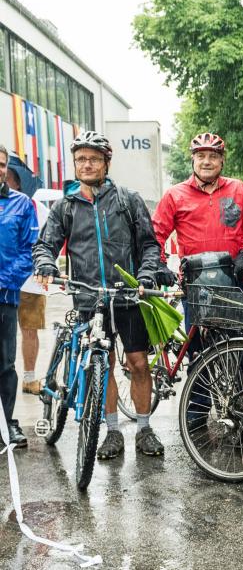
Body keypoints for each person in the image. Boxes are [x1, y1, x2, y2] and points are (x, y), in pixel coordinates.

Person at [33, 131, 164, 458]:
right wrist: (46, 263)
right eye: (81, 159)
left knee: (138, 363)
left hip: (128, 296)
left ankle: (144, 428)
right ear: (75, 164)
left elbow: (150, 245)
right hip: (89, 299)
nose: (87, 164)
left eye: (94, 159)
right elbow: (45, 245)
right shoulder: (65, 206)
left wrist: (146, 274)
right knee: (101, 366)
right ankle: (112, 431)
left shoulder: (127, 200)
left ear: (106, 163)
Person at [152, 132, 243, 357]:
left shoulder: (238, 189)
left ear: (222, 160)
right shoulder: (175, 195)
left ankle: (237, 381)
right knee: (198, 357)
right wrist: (160, 264)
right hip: (194, 285)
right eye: (201, 156)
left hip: (232, 281)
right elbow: (156, 234)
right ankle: (197, 379)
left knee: (237, 352)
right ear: (193, 160)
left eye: (213, 156)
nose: (207, 161)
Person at [0, 144, 38, 447]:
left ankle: (7, 423)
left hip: (6, 296)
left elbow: (30, 251)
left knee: (4, 363)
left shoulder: (22, 204)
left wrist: (5, 281)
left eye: (1, 164)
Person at [5, 166, 49, 396]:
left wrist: (48, 269)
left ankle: (29, 378)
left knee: (29, 329)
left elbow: (48, 241)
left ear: (19, 183)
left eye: (9, 179)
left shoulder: (37, 208)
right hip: (4, 281)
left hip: (31, 281)